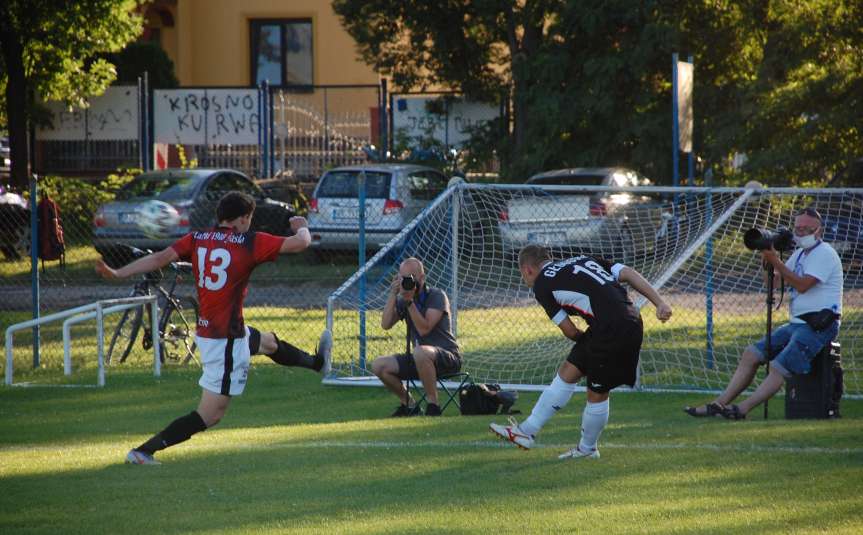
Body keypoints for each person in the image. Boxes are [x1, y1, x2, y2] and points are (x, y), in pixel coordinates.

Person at [95, 191, 332, 465]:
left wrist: (117, 272)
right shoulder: (247, 242)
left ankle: (318, 363)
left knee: (268, 343)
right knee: (211, 415)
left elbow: (158, 259)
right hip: (225, 341)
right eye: (249, 219)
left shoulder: (197, 238)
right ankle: (143, 451)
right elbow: (302, 242)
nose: (250, 224)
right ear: (242, 219)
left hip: (215, 331)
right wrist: (301, 224)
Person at [490, 245, 672, 459]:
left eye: (523, 275)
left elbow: (568, 330)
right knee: (569, 370)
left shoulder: (541, 284)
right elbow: (628, 273)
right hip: (625, 320)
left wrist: (582, 339)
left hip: (611, 328)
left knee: (597, 392)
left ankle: (587, 449)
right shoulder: (583, 259)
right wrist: (659, 302)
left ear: (527, 270)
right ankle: (526, 431)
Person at [684, 208, 842, 420]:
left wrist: (776, 261)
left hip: (821, 324)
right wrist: (766, 259)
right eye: (798, 228)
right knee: (751, 354)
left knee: (779, 365)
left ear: (818, 230)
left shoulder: (825, 253)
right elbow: (772, 283)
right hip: (797, 323)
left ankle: (741, 409)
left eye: (806, 229)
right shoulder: (798, 254)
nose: (800, 233)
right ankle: (718, 405)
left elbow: (803, 285)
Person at [370, 257, 461, 417]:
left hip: (447, 358)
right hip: (420, 358)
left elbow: (424, 329)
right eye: (403, 277)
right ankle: (410, 405)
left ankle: (433, 405)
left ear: (422, 278)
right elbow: (385, 324)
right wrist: (393, 294)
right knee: (378, 365)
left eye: (411, 277)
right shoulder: (403, 299)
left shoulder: (436, 296)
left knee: (419, 352)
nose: (408, 281)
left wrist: (409, 302)